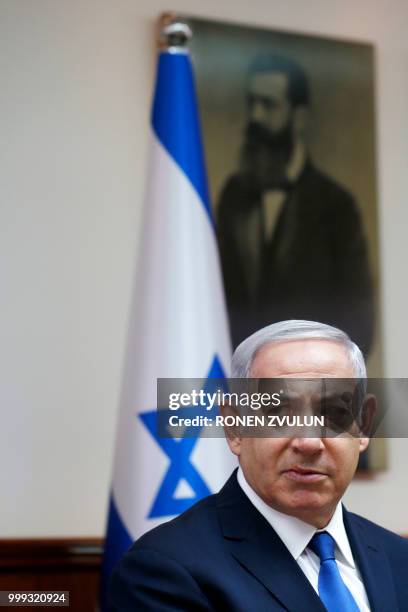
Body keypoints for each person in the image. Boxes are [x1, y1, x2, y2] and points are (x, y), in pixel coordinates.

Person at [109, 320, 407, 611]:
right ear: (235, 427)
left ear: (364, 425)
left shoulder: (399, 558)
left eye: (332, 413)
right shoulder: (164, 571)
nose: (308, 442)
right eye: (277, 412)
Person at [217, 53, 374, 356]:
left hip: (310, 389)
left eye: (269, 104)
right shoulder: (233, 196)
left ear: (299, 117)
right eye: (252, 103)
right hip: (242, 388)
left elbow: (359, 323)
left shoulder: (336, 206)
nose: (255, 116)